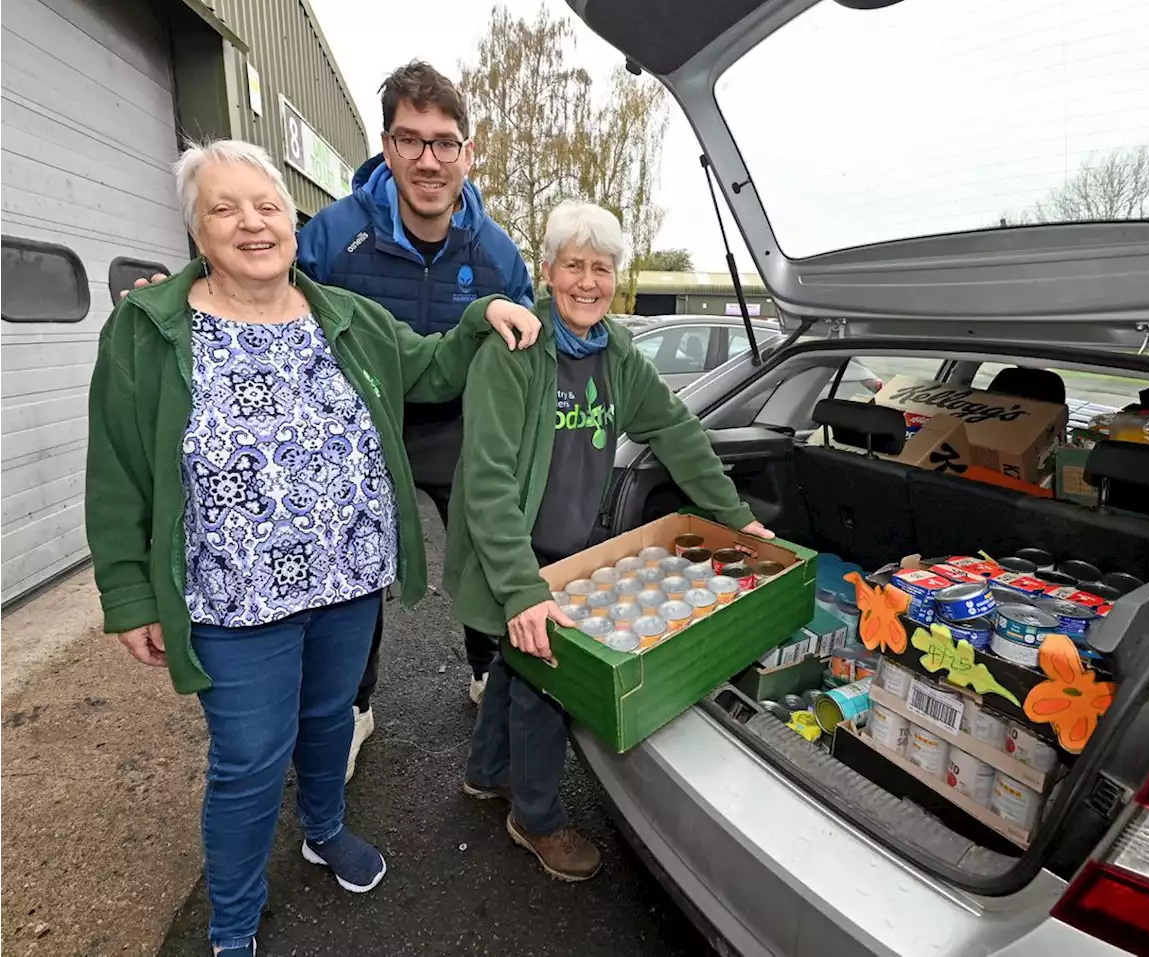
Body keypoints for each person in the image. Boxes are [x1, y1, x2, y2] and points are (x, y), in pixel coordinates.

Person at [86, 139, 539, 956]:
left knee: (332, 715)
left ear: (290, 225)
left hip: (347, 576)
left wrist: (479, 316)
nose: (252, 224)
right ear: (197, 229)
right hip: (233, 594)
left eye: (265, 207)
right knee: (250, 758)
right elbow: (116, 470)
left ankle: (323, 828)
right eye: (224, 209)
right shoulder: (148, 330)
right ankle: (231, 919)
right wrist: (128, 592)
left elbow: (430, 369)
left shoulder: (345, 316)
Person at [442, 201, 774, 881]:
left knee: (516, 664)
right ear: (549, 269)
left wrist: (736, 518)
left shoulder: (618, 354)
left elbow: (676, 431)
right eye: (574, 265)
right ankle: (533, 817)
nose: (588, 281)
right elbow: (486, 483)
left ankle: (487, 771)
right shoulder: (514, 352)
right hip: (514, 553)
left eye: (601, 267)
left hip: (572, 552)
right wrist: (522, 587)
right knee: (546, 679)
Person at [296, 60, 534, 777]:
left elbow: (530, 345)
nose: (429, 159)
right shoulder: (335, 237)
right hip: (363, 430)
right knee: (356, 570)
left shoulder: (495, 252)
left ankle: (487, 670)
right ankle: (354, 706)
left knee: (486, 544)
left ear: (467, 150)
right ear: (387, 145)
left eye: (444, 142)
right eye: (411, 140)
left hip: (457, 426)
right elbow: (261, 289)